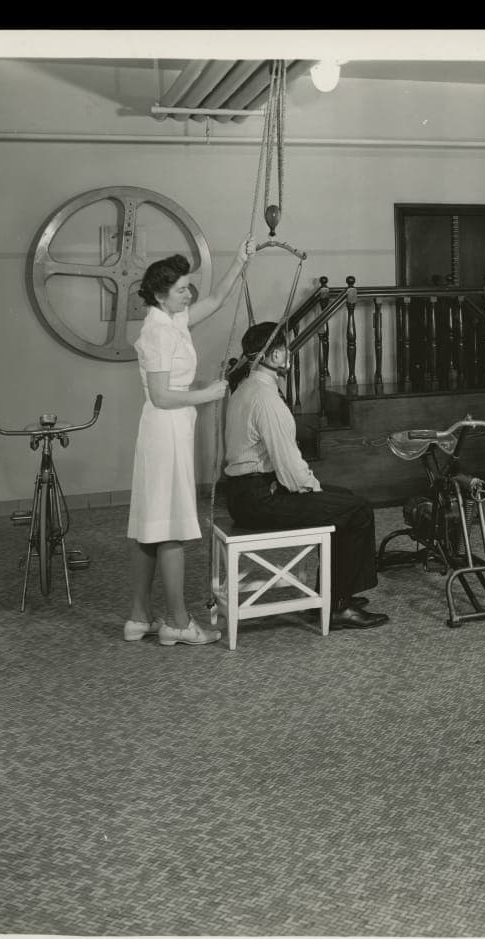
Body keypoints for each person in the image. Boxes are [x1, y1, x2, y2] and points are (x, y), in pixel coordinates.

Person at [124, 238, 258, 645]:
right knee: (170, 528)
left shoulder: (171, 319)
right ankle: (178, 623)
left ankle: (139, 618)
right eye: (182, 289)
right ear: (161, 295)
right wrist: (207, 394)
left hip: (168, 428)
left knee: (150, 523)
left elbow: (216, 299)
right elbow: (161, 396)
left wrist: (240, 260)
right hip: (165, 428)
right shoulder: (158, 333)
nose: (189, 294)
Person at [223, 321, 389, 630]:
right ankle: (337, 607)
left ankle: (335, 593)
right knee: (357, 510)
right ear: (274, 356)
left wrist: (317, 491)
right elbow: (289, 469)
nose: (288, 355)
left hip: (246, 492)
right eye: (284, 349)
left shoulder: (246, 387)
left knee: (346, 499)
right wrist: (313, 489)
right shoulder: (265, 398)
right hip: (257, 499)